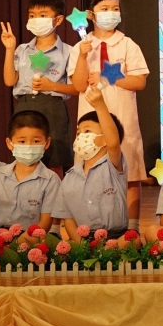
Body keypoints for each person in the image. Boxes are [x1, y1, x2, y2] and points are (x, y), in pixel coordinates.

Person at [67, 0, 149, 233]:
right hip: (91, 121)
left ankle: (131, 228)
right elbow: (78, 85)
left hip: (122, 117)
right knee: (90, 171)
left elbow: (139, 81)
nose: (111, 13)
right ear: (91, 14)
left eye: (115, 9)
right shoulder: (80, 47)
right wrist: (83, 56)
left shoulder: (127, 44)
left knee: (130, 174)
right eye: (104, 9)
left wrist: (109, 76)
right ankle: (90, 228)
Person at [1, 0, 78, 177]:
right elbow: (9, 80)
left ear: (58, 20)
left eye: (43, 16)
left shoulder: (68, 51)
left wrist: (51, 86)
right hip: (25, 105)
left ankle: (56, 196)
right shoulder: (22, 49)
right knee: (24, 160)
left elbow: (77, 88)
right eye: (32, 15)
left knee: (54, 162)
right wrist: (9, 49)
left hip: (53, 107)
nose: (36, 20)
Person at [56, 85, 127, 239]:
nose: (81, 136)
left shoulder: (112, 165)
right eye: (78, 133)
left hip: (115, 237)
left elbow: (113, 142)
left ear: (104, 138)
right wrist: (80, 246)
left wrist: (100, 105)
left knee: (131, 240)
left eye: (87, 131)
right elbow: (68, 217)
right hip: (84, 239)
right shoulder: (70, 177)